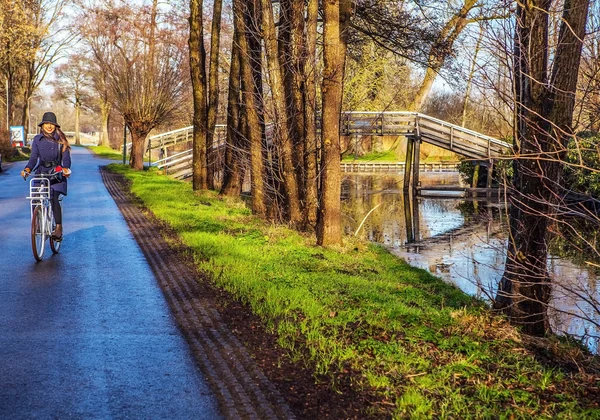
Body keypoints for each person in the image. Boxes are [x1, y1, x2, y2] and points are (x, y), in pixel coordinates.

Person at [21, 112, 72, 240]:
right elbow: (33, 158)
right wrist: (27, 169)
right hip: (41, 172)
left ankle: (58, 228)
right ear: (42, 125)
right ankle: (37, 221)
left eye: (52, 124)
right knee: (35, 196)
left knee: (53, 196)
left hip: (56, 173)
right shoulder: (37, 140)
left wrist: (65, 169)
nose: (49, 126)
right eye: (47, 124)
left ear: (55, 126)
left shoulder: (61, 141)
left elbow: (66, 159)